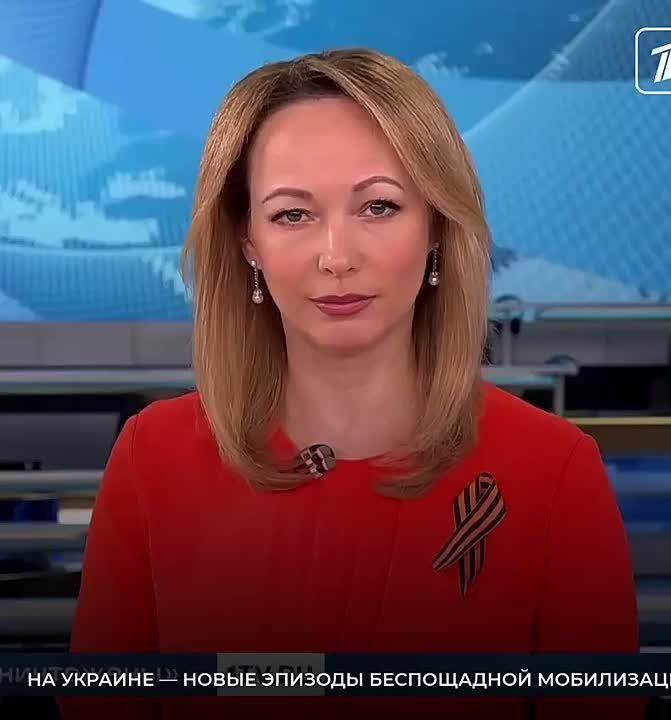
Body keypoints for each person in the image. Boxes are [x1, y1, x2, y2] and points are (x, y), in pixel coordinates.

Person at [59, 48, 641, 719]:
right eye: (292, 215)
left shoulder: (553, 472)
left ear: (436, 226)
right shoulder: (151, 461)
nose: (337, 257)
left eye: (379, 207)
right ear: (246, 241)